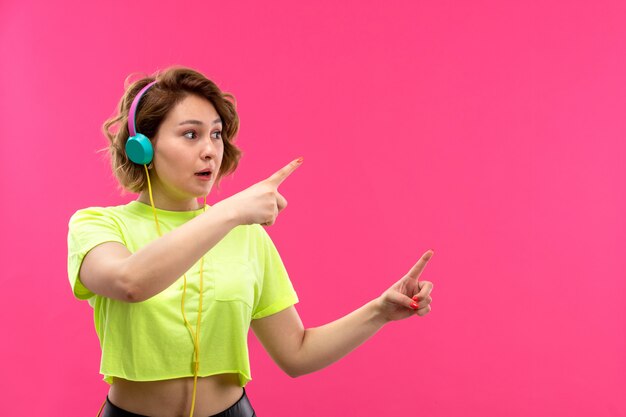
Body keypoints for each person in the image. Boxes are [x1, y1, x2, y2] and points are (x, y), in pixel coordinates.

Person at [67, 66, 434, 417]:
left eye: (216, 134)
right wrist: (229, 213)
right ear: (142, 147)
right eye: (191, 134)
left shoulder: (244, 233)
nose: (210, 149)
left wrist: (379, 312)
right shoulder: (98, 225)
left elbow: (297, 353)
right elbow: (130, 282)